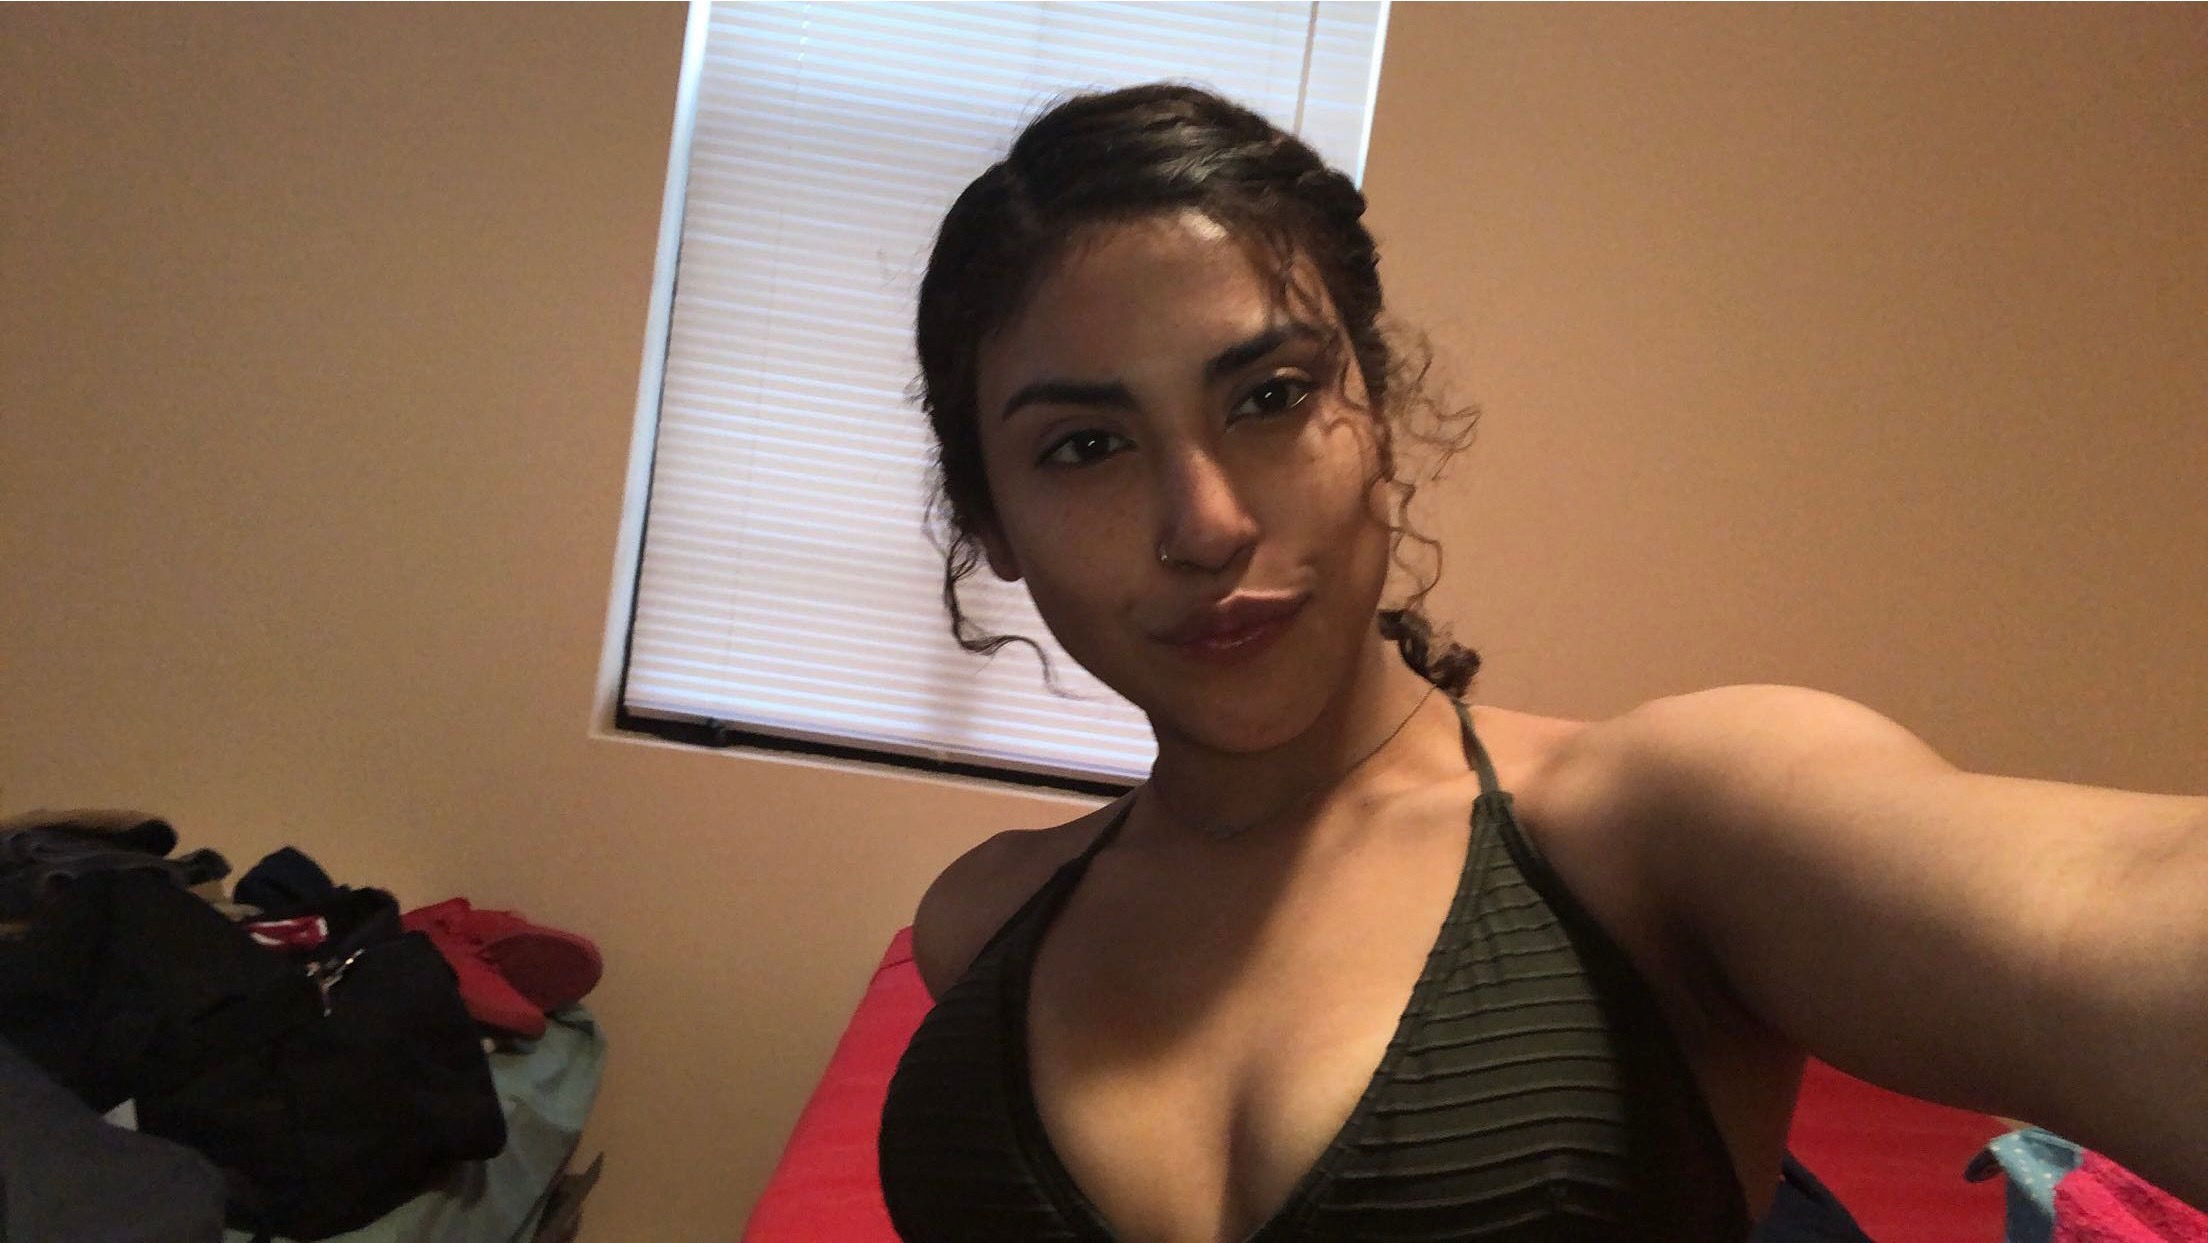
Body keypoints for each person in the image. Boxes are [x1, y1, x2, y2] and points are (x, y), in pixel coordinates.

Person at [875, 83, 2205, 1242]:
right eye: (1086, 447)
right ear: (991, 521)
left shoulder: (1660, 831)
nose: (1207, 523)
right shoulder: (979, 925)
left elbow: (2094, 912)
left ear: (1379, 414)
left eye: (1272, 397)